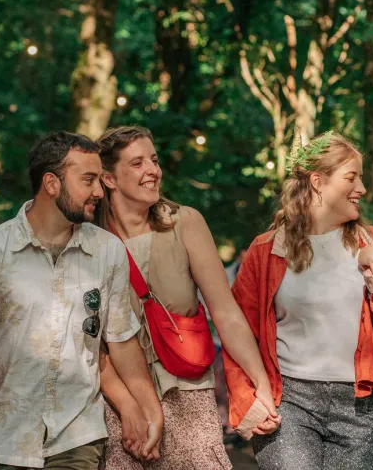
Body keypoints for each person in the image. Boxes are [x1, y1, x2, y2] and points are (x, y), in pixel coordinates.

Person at [0, 131, 163, 470]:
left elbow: (121, 343)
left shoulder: (108, 252)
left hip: (77, 435)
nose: (98, 191)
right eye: (88, 180)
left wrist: (151, 411)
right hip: (3, 439)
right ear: (51, 183)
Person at [224, 131, 373, 470]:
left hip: (359, 406)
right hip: (289, 401)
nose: (361, 188)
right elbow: (237, 330)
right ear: (318, 181)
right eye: (351, 177)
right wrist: (246, 398)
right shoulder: (265, 250)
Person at [95, 125, 280, 470]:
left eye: (154, 159)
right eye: (137, 164)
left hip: (188, 392)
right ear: (108, 178)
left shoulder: (184, 223)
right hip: (120, 401)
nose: (153, 170)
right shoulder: (89, 239)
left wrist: (260, 383)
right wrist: (128, 407)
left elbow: (225, 312)